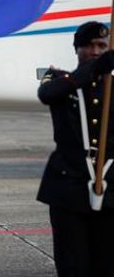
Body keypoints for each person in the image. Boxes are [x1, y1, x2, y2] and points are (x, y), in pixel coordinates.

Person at [37, 21, 114, 277]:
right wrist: (92, 71)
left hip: (109, 183)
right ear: (76, 49)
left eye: (102, 46)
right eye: (88, 46)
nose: (95, 51)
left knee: (105, 264)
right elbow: (47, 94)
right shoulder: (62, 80)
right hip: (68, 187)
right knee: (73, 265)